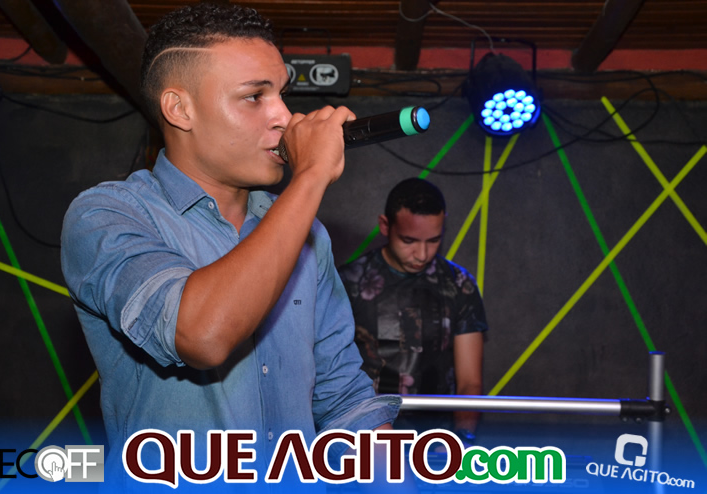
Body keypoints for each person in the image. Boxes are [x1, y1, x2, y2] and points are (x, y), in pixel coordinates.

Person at [60, 3, 399, 490]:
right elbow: (201, 334)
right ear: (180, 109)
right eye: (254, 97)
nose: (284, 117)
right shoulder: (107, 215)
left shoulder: (308, 235)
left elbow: (346, 401)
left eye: (281, 94)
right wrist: (310, 176)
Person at [338, 177, 488, 442]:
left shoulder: (459, 285)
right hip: (364, 441)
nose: (422, 254)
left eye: (433, 240)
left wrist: (461, 440)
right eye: (409, 240)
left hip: (437, 442)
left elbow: (469, 383)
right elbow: (330, 377)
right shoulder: (347, 283)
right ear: (385, 225)